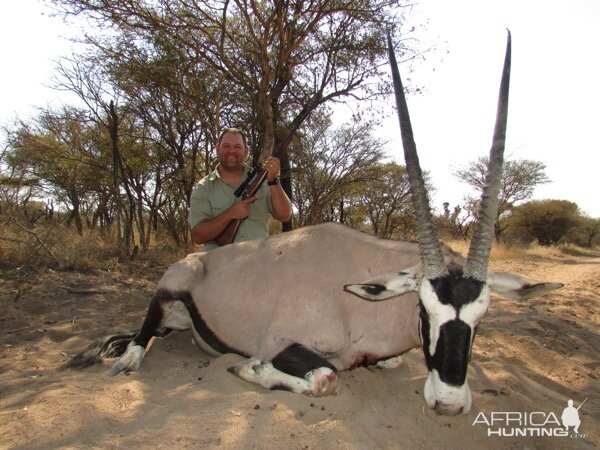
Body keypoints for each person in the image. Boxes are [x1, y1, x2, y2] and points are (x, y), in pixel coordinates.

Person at [189, 128, 292, 250]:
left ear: (246, 151)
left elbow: (285, 216)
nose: (231, 151)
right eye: (226, 146)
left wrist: (273, 180)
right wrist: (231, 214)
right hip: (219, 263)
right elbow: (198, 236)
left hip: (258, 260)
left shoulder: (264, 181)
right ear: (217, 149)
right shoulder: (203, 188)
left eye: (237, 146)